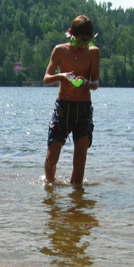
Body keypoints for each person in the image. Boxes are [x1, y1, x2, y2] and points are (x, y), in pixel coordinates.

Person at [43, 15, 100, 185]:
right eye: (77, 42)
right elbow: (46, 79)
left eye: (86, 42)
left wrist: (87, 83)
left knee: (80, 158)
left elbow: (96, 83)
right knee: (52, 155)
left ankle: (77, 199)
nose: (81, 46)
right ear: (70, 34)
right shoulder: (59, 51)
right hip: (63, 108)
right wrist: (61, 77)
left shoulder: (93, 53)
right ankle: (50, 187)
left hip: (83, 108)